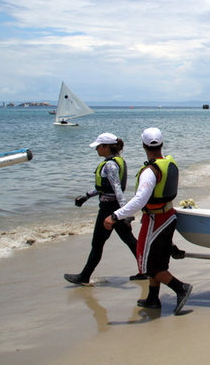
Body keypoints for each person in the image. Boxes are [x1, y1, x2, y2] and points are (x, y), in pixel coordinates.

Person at [103, 128, 192, 315]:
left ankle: (180, 288)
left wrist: (115, 216)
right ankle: (152, 298)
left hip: (156, 219)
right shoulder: (168, 162)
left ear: (143, 145)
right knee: (157, 261)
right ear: (161, 144)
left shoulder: (150, 171)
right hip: (168, 215)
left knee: (148, 265)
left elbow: (140, 200)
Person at [64, 133, 145, 285]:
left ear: (106, 147)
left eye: (98, 147)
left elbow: (117, 190)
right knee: (129, 240)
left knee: (97, 243)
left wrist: (125, 214)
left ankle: (84, 276)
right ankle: (146, 270)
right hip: (115, 209)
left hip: (109, 210)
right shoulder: (115, 162)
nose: (96, 150)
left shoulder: (110, 165)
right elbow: (105, 188)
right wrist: (86, 196)